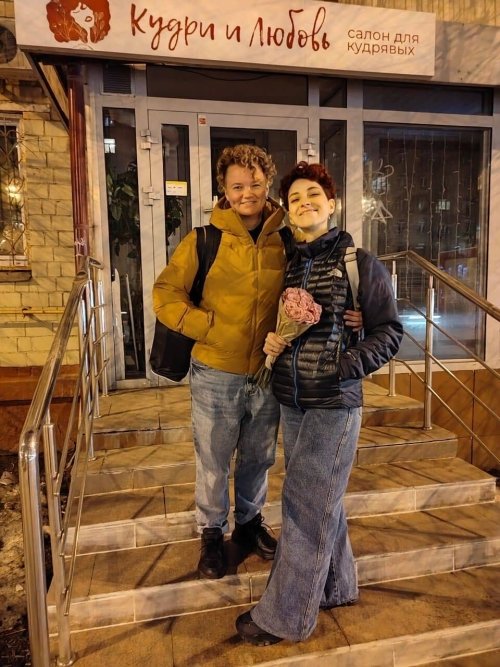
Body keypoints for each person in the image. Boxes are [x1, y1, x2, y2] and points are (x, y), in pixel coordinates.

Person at [236, 161, 403, 645]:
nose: (303, 203)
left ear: (331, 204)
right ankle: (336, 585)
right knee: (323, 497)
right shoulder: (292, 261)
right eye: (294, 200)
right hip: (293, 399)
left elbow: (389, 333)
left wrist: (344, 366)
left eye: (313, 195)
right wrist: (275, 345)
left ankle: (285, 617)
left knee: (305, 505)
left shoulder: (359, 262)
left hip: (333, 401)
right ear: (287, 214)